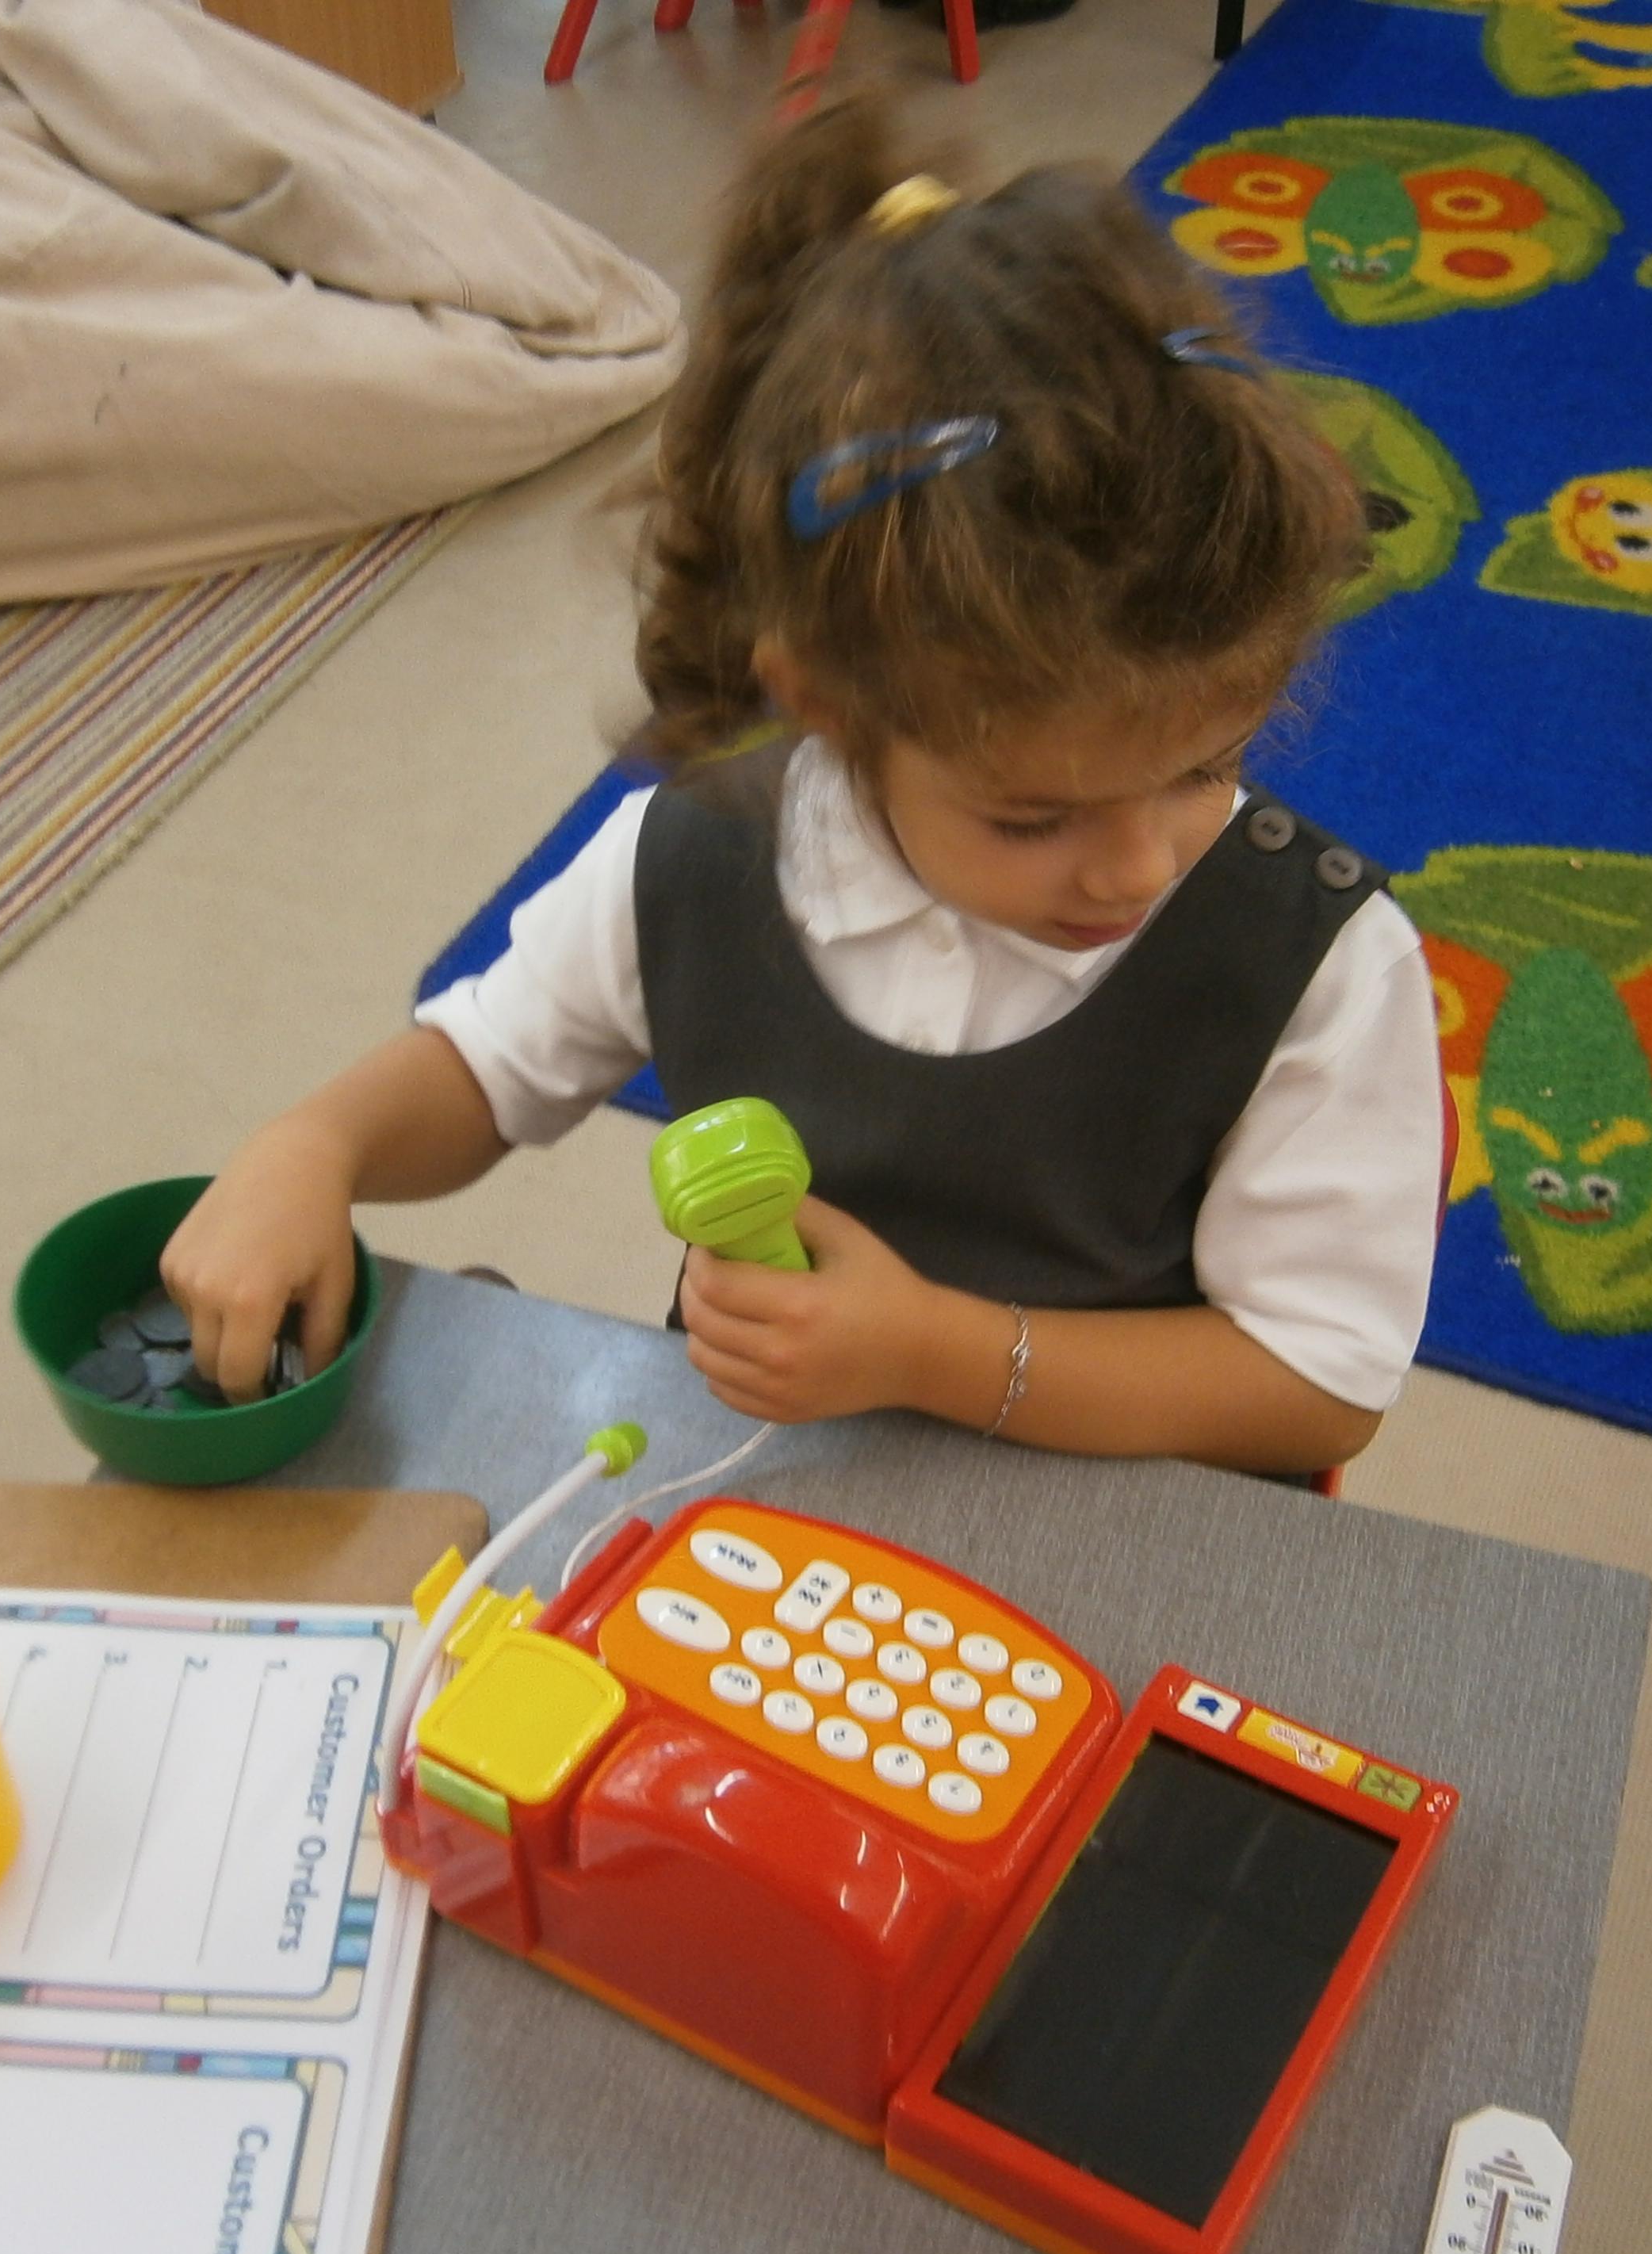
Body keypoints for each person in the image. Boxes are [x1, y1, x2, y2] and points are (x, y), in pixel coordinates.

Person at [160, 100, 1447, 1478]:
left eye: (1200, 768)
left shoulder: (1315, 965)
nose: (1137, 867)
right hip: (760, 1490)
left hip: (1122, 1526)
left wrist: (932, 1353)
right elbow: (486, 1069)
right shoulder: (697, 856)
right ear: (827, 703)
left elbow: (1316, 1388)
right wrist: (316, 1146)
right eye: (1032, 816)